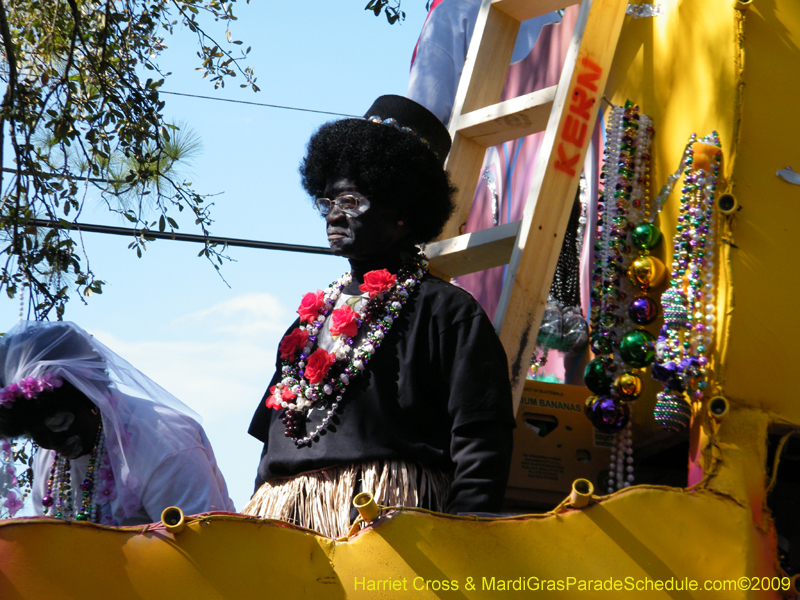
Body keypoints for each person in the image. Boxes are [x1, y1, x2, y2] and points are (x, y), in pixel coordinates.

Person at [244, 95, 515, 538]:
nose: (333, 213)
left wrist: (463, 541)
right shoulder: (305, 326)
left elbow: (482, 442)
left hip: (391, 525)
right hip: (287, 526)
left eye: (350, 200)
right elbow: (271, 448)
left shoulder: (447, 311)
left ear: (404, 212)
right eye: (327, 200)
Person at [0, 321, 235, 525]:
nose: (47, 443)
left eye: (58, 422)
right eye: (32, 433)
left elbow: (199, 547)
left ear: (90, 397)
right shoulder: (51, 459)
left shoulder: (163, 442)